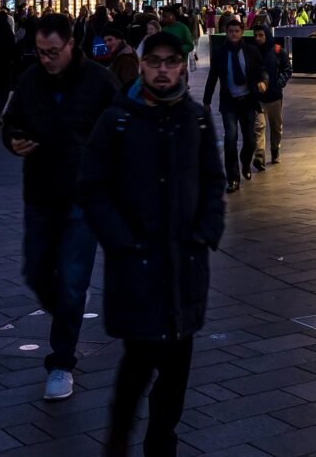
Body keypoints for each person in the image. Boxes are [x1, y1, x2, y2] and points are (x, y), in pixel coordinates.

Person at [79, 29, 224, 457]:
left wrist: (205, 233)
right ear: (142, 65)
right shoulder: (118, 119)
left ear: (183, 65)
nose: (163, 71)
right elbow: (92, 187)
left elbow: (213, 182)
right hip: (136, 268)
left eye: (171, 62)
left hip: (185, 267)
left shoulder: (195, 118)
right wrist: (121, 241)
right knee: (137, 366)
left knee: (176, 372)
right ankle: (119, 438)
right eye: (155, 62)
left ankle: (162, 442)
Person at [3, 12, 117, 401]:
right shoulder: (30, 79)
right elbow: (12, 122)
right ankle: (68, 300)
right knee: (36, 272)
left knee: (71, 278)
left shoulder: (99, 82)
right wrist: (13, 139)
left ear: (72, 45)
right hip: (38, 192)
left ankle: (61, 361)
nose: (47, 59)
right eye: (40, 51)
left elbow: (120, 128)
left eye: (53, 52)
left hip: (82, 198)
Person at [201, 14, 267, 194]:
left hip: (248, 101)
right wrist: (206, 100)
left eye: (237, 31)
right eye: (230, 31)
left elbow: (262, 71)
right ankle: (233, 178)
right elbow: (212, 77)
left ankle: (245, 163)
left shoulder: (251, 51)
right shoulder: (220, 54)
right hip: (229, 102)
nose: (234, 34)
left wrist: (263, 82)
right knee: (230, 138)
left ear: (242, 32)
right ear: (226, 32)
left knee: (250, 140)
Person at [256, 19, 291, 169]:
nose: (258, 38)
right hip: (258, 99)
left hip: (275, 97)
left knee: (276, 127)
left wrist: (279, 83)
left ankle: (275, 150)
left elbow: (287, 69)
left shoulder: (278, 51)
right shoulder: (252, 52)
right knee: (259, 127)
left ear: (267, 35)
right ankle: (260, 155)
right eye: (255, 35)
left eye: (261, 35)